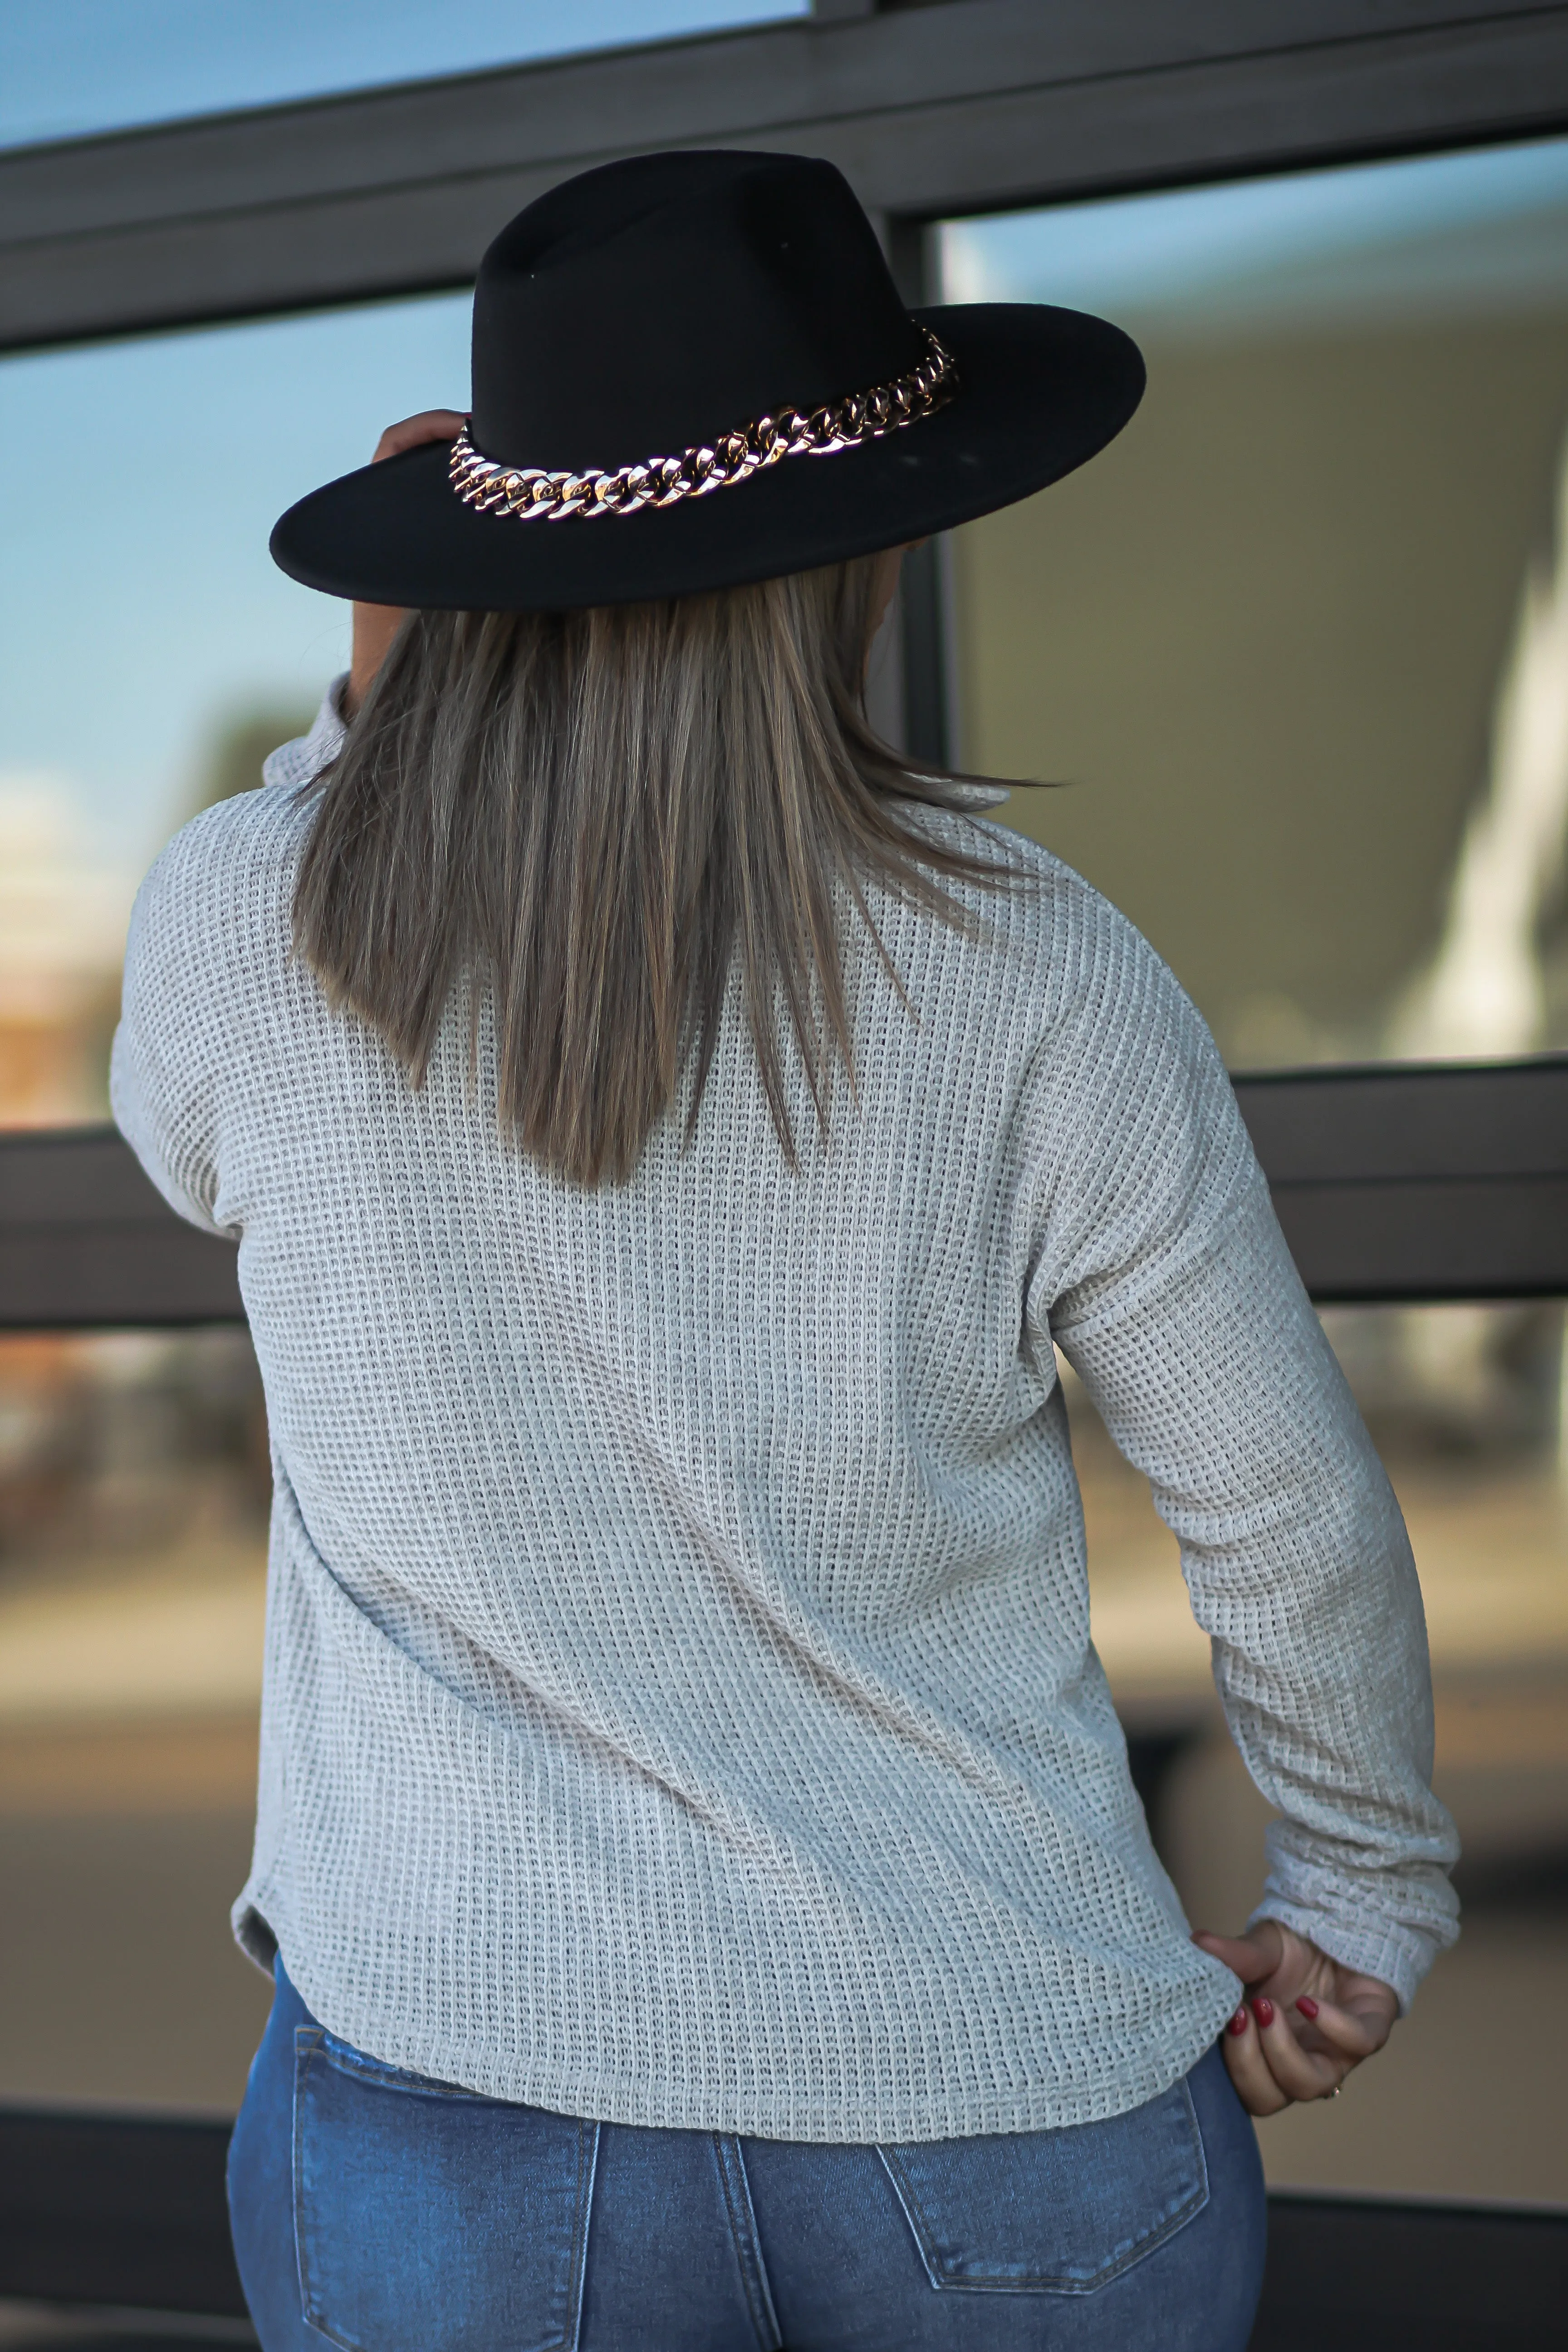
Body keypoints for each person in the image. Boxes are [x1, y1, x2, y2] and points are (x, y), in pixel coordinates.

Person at [113, 151, 1459, 2352]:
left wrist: (371, 729)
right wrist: (1358, 1896)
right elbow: (1283, 1503)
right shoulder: (1042, 971)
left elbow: (191, 1157)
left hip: (453, 2135)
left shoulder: (259, 917)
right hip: (1013, 2130)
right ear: (877, 537)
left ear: (483, 536)